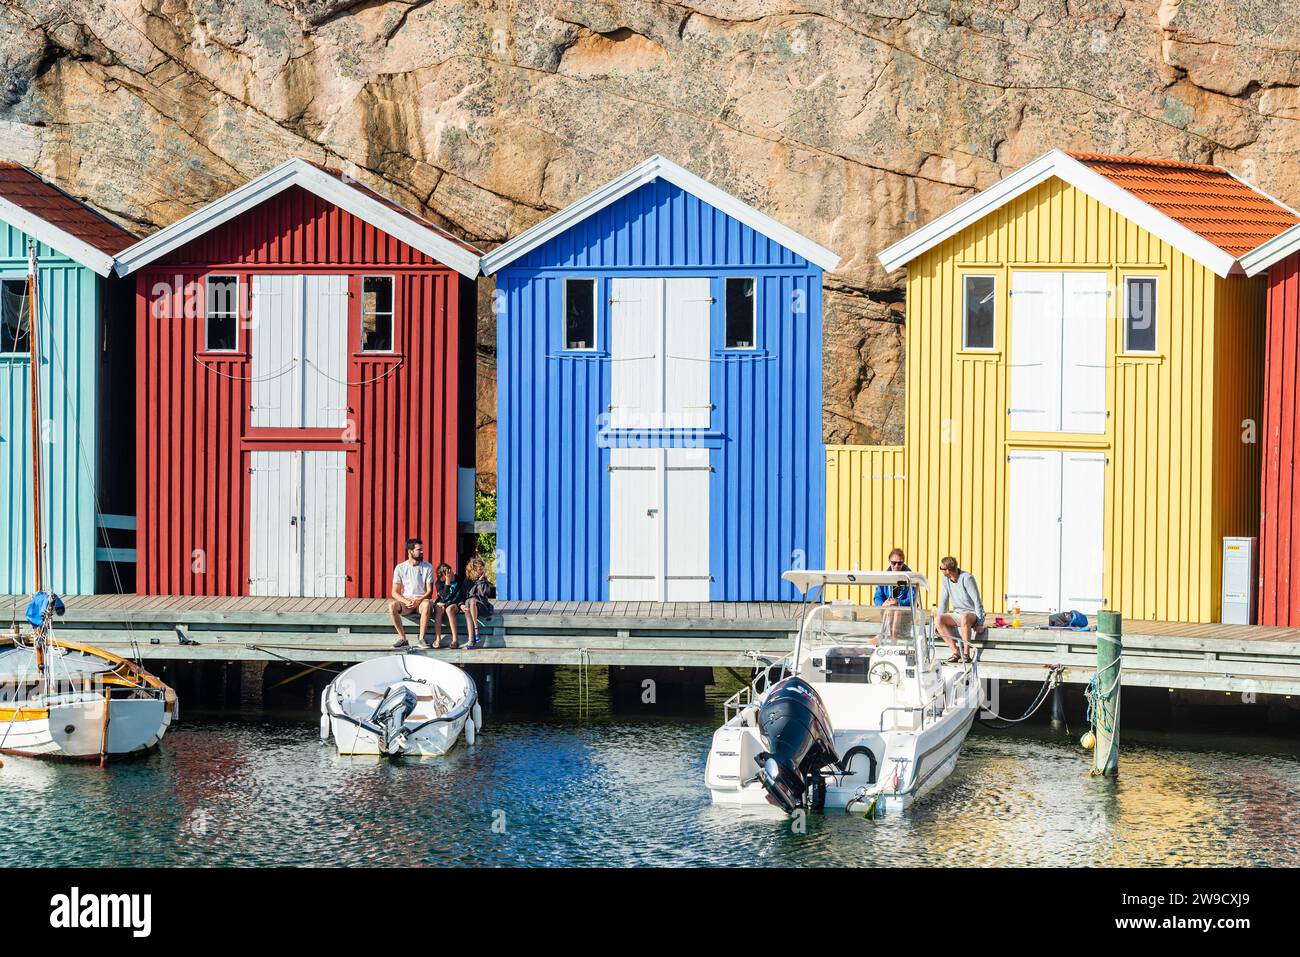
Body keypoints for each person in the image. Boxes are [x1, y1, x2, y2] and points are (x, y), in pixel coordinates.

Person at [936, 555, 984, 663]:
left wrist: (980, 622)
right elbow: (944, 600)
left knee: (964, 616)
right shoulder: (946, 580)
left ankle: (966, 654)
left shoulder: (967, 578)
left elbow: (977, 600)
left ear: (948, 570)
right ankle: (956, 652)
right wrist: (937, 623)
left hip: (971, 613)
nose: (941, 570)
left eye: (941, 568)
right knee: (938, 619)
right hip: (958, 613)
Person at [389, 538, 433, 648]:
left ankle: (422, 639)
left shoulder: (427, 567)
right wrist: (406, 601)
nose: (422, 552)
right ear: (410, 551)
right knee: (391, 606)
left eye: (422, 549)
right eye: (419, 550)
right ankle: (403, 639)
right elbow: (394, 592)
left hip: (421, 602)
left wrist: (419, 600)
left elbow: (429, 591)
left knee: (427, 604)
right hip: (406, 603)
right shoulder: (400, 568)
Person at [874, 548, 913, 643]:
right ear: (889, 562)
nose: (896, 566)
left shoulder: (910, 577)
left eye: (900, 563)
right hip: (888, 610)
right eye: (894, 563)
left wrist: (898, 602)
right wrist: (883, 603)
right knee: (891, 608)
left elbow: (913, 598)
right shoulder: (884, 576)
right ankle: (886, 639)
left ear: (903, 562)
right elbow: (878, 596)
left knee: (897, 610)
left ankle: (890, 640)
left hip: (905, 612)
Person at [461, 557, 496, 650]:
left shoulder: (484, 581)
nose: (482, 571)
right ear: (473, 570)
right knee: (468, 607)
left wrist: (481, 582)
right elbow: (462, 595)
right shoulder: (467, 580)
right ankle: (471, 640)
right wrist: (461, 605)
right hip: (471, 607)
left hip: (482, 606)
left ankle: (475, 629)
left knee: (472, 601)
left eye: (482, 569)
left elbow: (484, 594)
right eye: (480, 569)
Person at [430, 562, 464, 650]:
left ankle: (455, 640)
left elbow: (463, 595)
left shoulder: (459, 579)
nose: (451, 574)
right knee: (438, 609)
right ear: (442, 578)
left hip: (455, 603)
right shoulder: (438, 583)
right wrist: (447, 583)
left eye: (451, 572)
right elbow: (444, 597)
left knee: (449, 609)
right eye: (448, 574)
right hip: (442, 603)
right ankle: (438, 639)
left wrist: (460, 604)